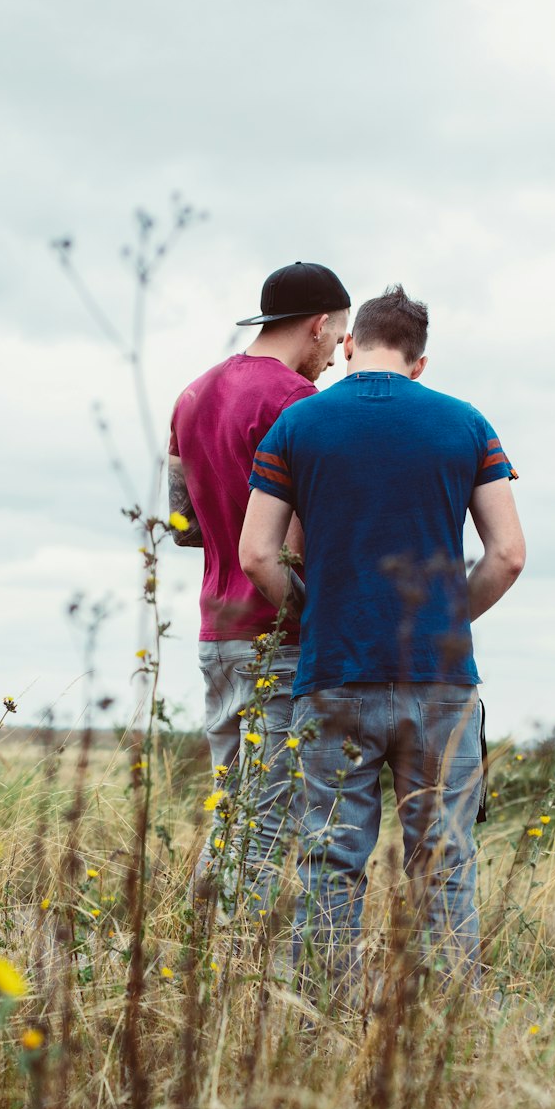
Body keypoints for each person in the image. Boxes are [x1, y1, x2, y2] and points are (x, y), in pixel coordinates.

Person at [239, 284, 525, 996]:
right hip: (441, 683)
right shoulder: (466, 425)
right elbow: (508, 555)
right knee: (446, 863)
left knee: (330, 863)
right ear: (419, 362)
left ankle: (318, 1028)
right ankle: (449, 1032)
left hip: (334, 672)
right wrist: (446, 621)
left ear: (347, 344)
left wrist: (316, 615)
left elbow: (256, 554)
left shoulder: (300, 424)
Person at [168, 261, 351, 891]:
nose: (332, 360)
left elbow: (180, 523)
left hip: (215, 631)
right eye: (335, 341)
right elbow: (304, 538)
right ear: (320, 326)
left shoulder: (190, 396)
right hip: (277, 633)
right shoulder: (296, 402)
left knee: (235, 814)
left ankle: (201, 957)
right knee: (266, 827)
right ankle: (235, 976)